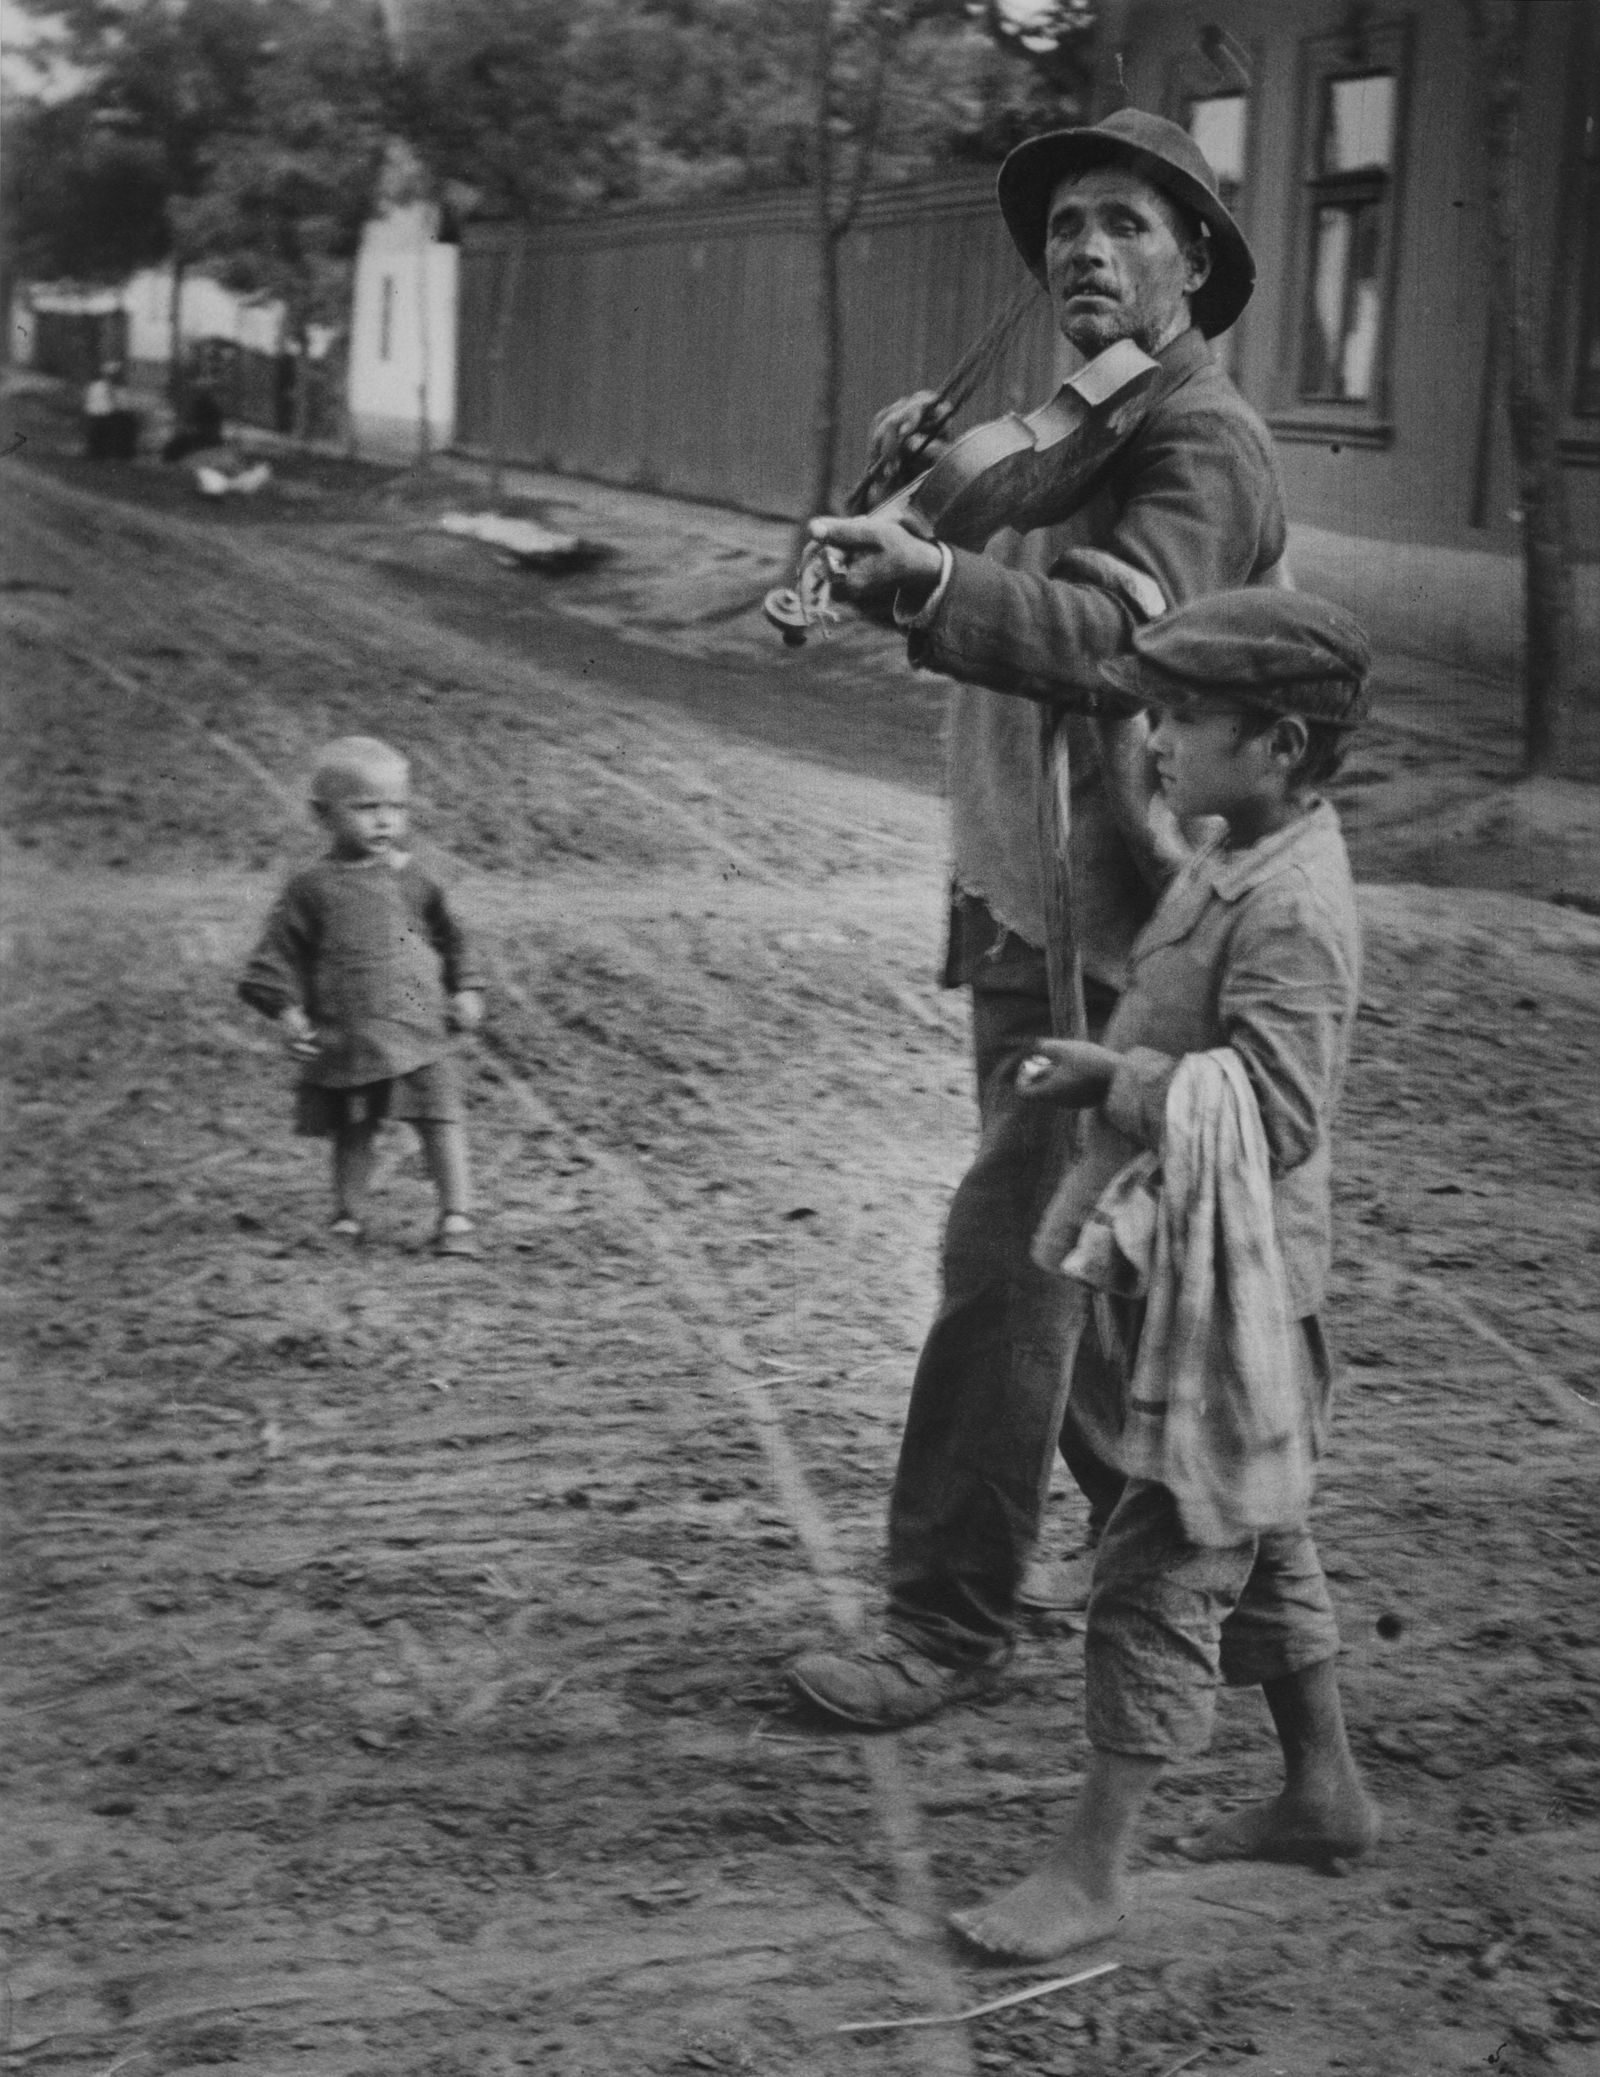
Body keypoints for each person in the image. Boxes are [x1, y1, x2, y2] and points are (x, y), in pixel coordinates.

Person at [787, 108, 1291, 1728]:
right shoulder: (1059, 429)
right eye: (1066, 224)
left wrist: (928, 580)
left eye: (1127, 227)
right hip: (1026, 906)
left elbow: (1101, 641)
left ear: (1194, 263)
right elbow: (967, 542)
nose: (1084, 249)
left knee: (1011, 1256)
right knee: (1094, 1299)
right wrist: (906, 484)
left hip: (1132, 938)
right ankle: (1260, 1633)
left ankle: (944, 1621)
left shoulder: (1199, 445)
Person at [944, 585, 1381, 1961]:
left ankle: (1092, 1868)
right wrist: (1143, 800)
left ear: (1285, 748)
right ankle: (1325, 1787)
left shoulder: (1299, 908)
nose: (1163, 733)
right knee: (1260, 1528)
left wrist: (1112, 1076)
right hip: (1194, 1258)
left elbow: (1281, 1108)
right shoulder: (1242, 849)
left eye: (1190, 717)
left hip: (1245, 1287)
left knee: (1160, 1562)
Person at [239, 735, 485, 1255]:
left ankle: (456, 1216)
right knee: (356, 1126)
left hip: (419, 1024)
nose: (384, 822)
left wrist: (465, 988)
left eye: (396, 807)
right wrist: (287, 1011)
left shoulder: (416, 879)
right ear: (323, 815)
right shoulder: (311, 888)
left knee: (439, 1118)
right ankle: (348, 1215)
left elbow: (452, 937)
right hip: (351, 1030)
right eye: (366, 808)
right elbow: (275, 956)